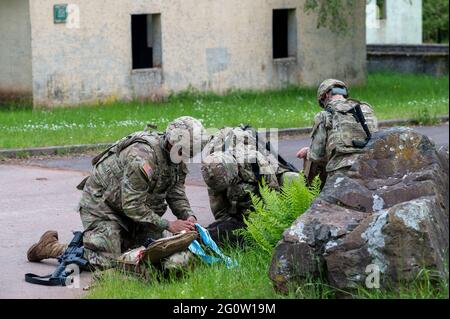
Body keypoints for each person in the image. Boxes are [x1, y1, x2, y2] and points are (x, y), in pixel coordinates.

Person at [27, 116, 209, 269]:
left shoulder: (176, 158)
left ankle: (105, 241)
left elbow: (175, 191)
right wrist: (168, 224)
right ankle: (50, 247)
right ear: (172, 142)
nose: (187, 156)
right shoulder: (142, 157)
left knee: (150, 251)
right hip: (102, 206)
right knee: (107, 261)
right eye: (186, 151)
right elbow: (132, 204)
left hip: (131, 209)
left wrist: (188, 215)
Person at [201, 126, 299, 244]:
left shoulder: (256, 161)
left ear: (235, 169)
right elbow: (218, 208)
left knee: (292, 179)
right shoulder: (212, 168)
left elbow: (272, 197)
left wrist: (265, 225)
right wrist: (226, 228)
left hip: (263, 180)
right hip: (238, 191)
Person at [297, 79, 378, 183]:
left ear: (325, 95)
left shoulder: (323, 115)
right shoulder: (366, 109)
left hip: (341, 172)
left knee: (310, 161)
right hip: (370, 166)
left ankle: (313, 195)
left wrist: (307, 152)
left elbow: (316, 155)